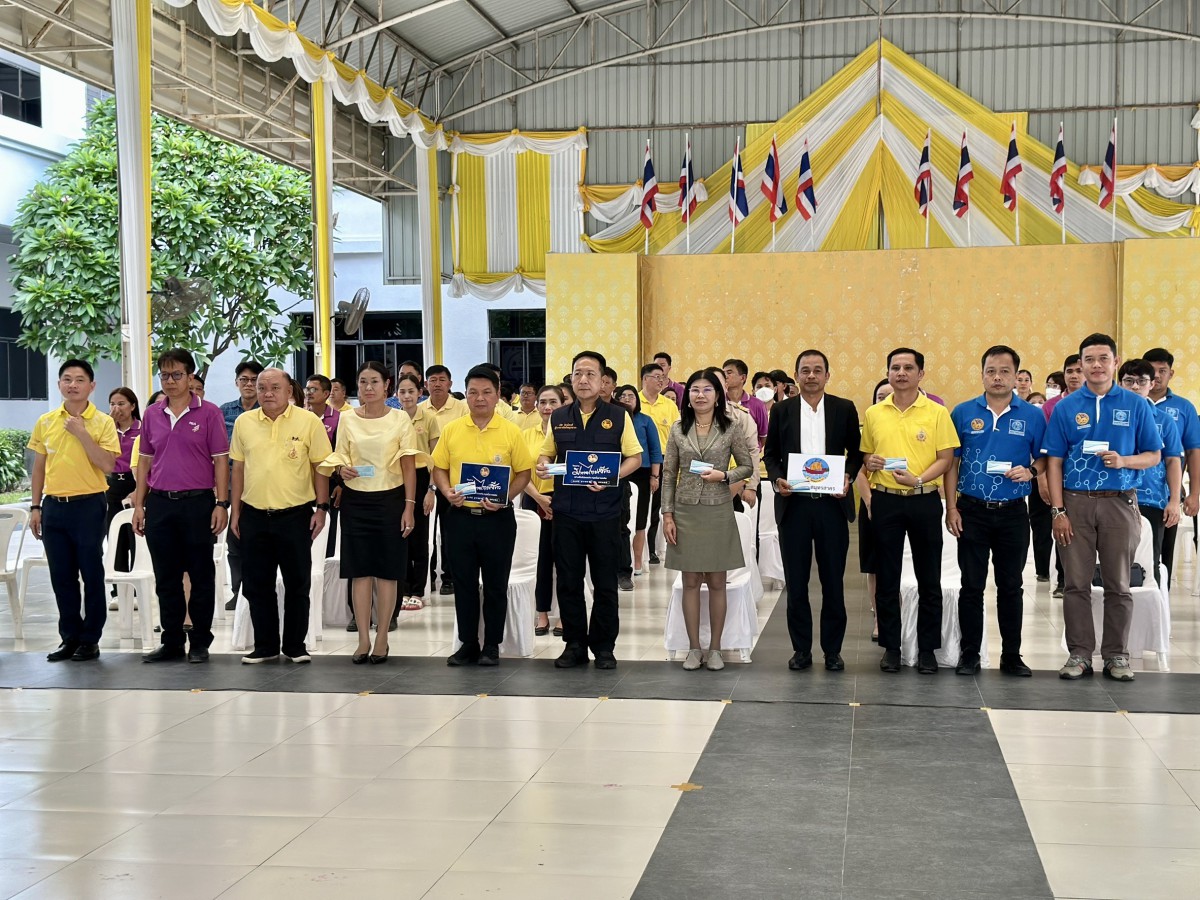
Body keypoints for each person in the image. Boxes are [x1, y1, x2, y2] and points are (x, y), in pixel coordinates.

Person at [1046, 334, 1162, 682]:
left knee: (1119, 585)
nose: (1096, 365)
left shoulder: (1136, 405)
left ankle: (1116, 656)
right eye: (1089, 359)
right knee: (1076, 585)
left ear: (1115, 362)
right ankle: (1079, 654)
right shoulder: (1066, 407)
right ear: (1080, 364)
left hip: (1120, 504)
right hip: (1076, 504)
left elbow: (1154, 454)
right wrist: (1058, 511)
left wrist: (1124, 460)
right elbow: (1053, 461)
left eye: (1103, 358)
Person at [537, 351, 644, 669]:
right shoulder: (558, 416)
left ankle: (604, 646)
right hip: (567, 512)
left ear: (602, 381)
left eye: (590, 374)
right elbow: (546, 454)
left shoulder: (619, 416)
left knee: (605, 583)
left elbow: (634, 458)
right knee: (568, 581)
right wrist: (543, 467)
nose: (583, 380)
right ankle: (574, 644)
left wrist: (613, 476)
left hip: (605, 513)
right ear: (570, 379)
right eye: (577, 373)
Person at [946, 346, 1047, 678]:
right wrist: (952, 507)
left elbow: (1045, 457)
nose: (998, 377)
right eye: (991, 370)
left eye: (1005, 371)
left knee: (1011, 586)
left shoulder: (1032, 415)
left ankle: (1012, 655)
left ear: (1016, 375)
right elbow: (952, 463)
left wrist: (1032, 471)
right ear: (982, 375)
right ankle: (970, 654)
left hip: (1013, 513)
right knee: (971, 586)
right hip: (971, 510)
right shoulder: (962, 412)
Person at [762, 349, 862, 672]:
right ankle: (801, 650)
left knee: (834, 581)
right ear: (796, 375)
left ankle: (833, 651)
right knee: (797, 582)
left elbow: (856, 453)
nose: (811, 376)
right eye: (805, 370)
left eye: (818, 370)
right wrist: (778, 479)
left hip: (832, 506)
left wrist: (848, 475)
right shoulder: (782, 411)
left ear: (827, 376)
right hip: (795, 507)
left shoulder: (843, 409)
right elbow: (771, 454)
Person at [860, 348, 959, 674]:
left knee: (928, 577)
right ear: (888, 372)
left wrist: (918, 478)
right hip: (885, 500)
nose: (901, 373)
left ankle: (928, 649)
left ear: (921, 374)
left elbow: (946, 459)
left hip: (924, 499)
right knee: (886, 577)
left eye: (908, 367)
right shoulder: (874, 413)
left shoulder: (936, 412)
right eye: (895, 367)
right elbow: (867, 458)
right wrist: (870, 462)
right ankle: (891, 646)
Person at [133, 348, 230, 663]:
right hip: (160, 504)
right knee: (166, 577)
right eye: (164, 375)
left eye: (176, 375)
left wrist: (221, 502)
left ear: (191, 378)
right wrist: (139, 504)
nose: (170, 381)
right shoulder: (151, 414)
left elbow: (220, 461)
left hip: (198, 503)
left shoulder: (209, 412)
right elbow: (145, 461)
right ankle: (172, 641)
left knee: (201, 575)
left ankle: (200, 641)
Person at [432, 365, 533, 666]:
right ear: (465, 396)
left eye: (486, 392)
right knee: (462, 583)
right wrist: (446, 490)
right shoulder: (452, 430)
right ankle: (467, 643)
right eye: (473, 392)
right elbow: (438, 467)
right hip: (460, 517)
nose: (479, 398)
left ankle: (491, 645)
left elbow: (524, 473)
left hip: (498, 520)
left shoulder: (511, 431)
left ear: (498, 395)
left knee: (495, 583)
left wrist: (506, 498)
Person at [230, 368, 332, 664]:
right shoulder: (244, 422)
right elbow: (238, 468)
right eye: (262, 388)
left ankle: (295, 645)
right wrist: (235, 511)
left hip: (295, 514)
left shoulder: (308, 421)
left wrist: (322, 508)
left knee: (297, 583)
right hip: (253, 514)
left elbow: (320, 468)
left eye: (275, 387)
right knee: (256, 583)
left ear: (290, 391)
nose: (267, 393)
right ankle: (265, 645)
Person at [320, 361, 418, 663]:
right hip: (356, 501)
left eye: (374, 381)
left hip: (390, 500)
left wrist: (409, 506)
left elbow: (408, 464)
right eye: (363, 382)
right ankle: (363, 638)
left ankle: (383, 637)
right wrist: (340, 469)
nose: (368, 388)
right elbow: (341, 455)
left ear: (387, 385)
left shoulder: (400, 419)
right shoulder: (348, 419)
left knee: (388, 573)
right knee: (359, 573)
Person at [662, 368, 756, 671]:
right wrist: (667, 514)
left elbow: (746, 466)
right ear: (687, 396)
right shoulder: (678, 429)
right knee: (690, 582)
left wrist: (724, 476)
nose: (700, 395)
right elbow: (668, 474)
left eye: (706, 390)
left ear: (718, 396)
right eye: (694, 390)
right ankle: (693, 648)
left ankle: (715, 648)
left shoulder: (730, 428)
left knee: (717, 582)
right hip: (686, 511)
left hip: (718, 510)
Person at [27, 360, 120, 662]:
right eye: (66, 379)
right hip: (54, 506)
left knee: (91, 573)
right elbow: (39, 466)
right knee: (61, 576)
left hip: (89, 505)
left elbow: (108, 465)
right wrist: (35, 506)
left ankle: (90, 639)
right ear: (59, 385)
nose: (73, 385)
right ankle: (70, 637)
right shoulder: (46, 421)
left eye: (80, 380)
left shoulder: (103, 422)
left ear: (92, 386)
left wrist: (81, 433)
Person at [1119, 359, 1182, 581]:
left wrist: (1174, 500)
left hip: (1152, 499)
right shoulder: (1109, 417)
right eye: (1129, 381)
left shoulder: (1164, 421)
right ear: (1119, 384)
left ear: (1151, 384)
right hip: (1115, 498)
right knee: (1115, 562)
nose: (1135, 387)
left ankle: (1151, 612)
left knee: (1151, 563)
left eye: (1141, 381)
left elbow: (1173, 461)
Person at [1143, 347, 1200, 586]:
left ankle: (1158, 608)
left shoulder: (1184, 408)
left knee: (1161, 557)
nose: (1156, 376)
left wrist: (1194, 493)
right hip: (1128, 492)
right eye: (1151, 371)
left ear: (1171, 373)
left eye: (1162, 371)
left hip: (1166, 494)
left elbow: (1193, 451)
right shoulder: (1130, 405)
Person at [219, 360, 262, 612]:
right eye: (244, 379)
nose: (248, 384)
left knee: (257, 544)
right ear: (236, 382)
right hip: (232, 487)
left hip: (259, 486)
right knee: (234, 545)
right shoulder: (223, 411)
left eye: (253, 380)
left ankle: (256, 591)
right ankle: (238, 591)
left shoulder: (268, 410)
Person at [395, 372, 440, 611]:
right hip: (399, 478)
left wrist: (431, 489)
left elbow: (436, 459)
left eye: (411, 391)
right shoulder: (393, 418)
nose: (407, 396)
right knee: (401, 534)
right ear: (396, 395)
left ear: (419, 393)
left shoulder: (429, 418)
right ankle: (402, 589)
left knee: (420, 537)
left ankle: (417, 590)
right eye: (402, 392)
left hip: (423, 478)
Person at [523, 385, 565, 636]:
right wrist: (538, 497)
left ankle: (563, 615)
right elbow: (520, 471)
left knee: (564, 560)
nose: (548, 407)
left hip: (564, 502)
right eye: (543, 402)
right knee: (539, 560)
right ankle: (541, 614)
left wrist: (554, 501)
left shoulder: (569, 433)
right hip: (533, 499)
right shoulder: (525, 435)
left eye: (554, 402)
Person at [425, 364, 469, 597]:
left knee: (451, 531)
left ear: (450, 384)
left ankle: (449, 578)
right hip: (428, 481)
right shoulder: (421, 410)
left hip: (455, 480)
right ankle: (428, 576)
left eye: (442, 380)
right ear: (426, 384)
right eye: (433, 380)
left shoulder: (462, 409)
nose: (437, 384)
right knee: (427, 533)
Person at [1043, 356, 1083, 599]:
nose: (1075, 375)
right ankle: (1063, 579)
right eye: (1070, 371)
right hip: (1061, 479)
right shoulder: (1053, 407)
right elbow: (1046, 450)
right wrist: (1043, 479)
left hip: (1089, 481)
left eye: (1079, 370)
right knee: (1063, 530)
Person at [856, 378, 892, 642]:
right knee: (875, 565)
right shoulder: (868, 426)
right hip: (874, 500)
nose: (886, 399)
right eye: (880, 396)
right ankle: (880, 618)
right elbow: (858, 468)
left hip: (906, 500)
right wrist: (869, 501)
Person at [615, 385, 663, 578]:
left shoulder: (646, 421)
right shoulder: (615, 419)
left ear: (637, 400)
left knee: (641, 520)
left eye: (631, 395)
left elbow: (655, 450)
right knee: (623, 519)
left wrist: (655, 476)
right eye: (622, 396)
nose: (627, 398)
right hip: (620, 471)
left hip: (643, 473)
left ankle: (637, 561)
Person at [639, 363, 681, 566]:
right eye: (657, 376)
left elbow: (677, 435)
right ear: (645, 379)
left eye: (663, 377)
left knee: (658, 506)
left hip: (663, 460)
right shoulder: (634, 401)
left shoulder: (669, 405)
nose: (661, 380)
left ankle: (652, 549)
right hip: (639, 462)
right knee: (639, 508)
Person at [105, 387, 142, 592]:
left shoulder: (141, 429)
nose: (116, 408)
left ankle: (137, 588)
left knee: (134, 535)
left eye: (121, 403)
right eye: (112, 404)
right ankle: (118, 590)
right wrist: (108, 425)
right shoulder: (106, 430)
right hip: (112, 484)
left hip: (134, 482)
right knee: (115, 537)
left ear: (132, 406)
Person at [722, 358, 768, 447]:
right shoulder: (718, 402)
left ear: (743, 378)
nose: (725, 376)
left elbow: (763, 436)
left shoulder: (758, 405)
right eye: (723, 373)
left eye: (729, 372)